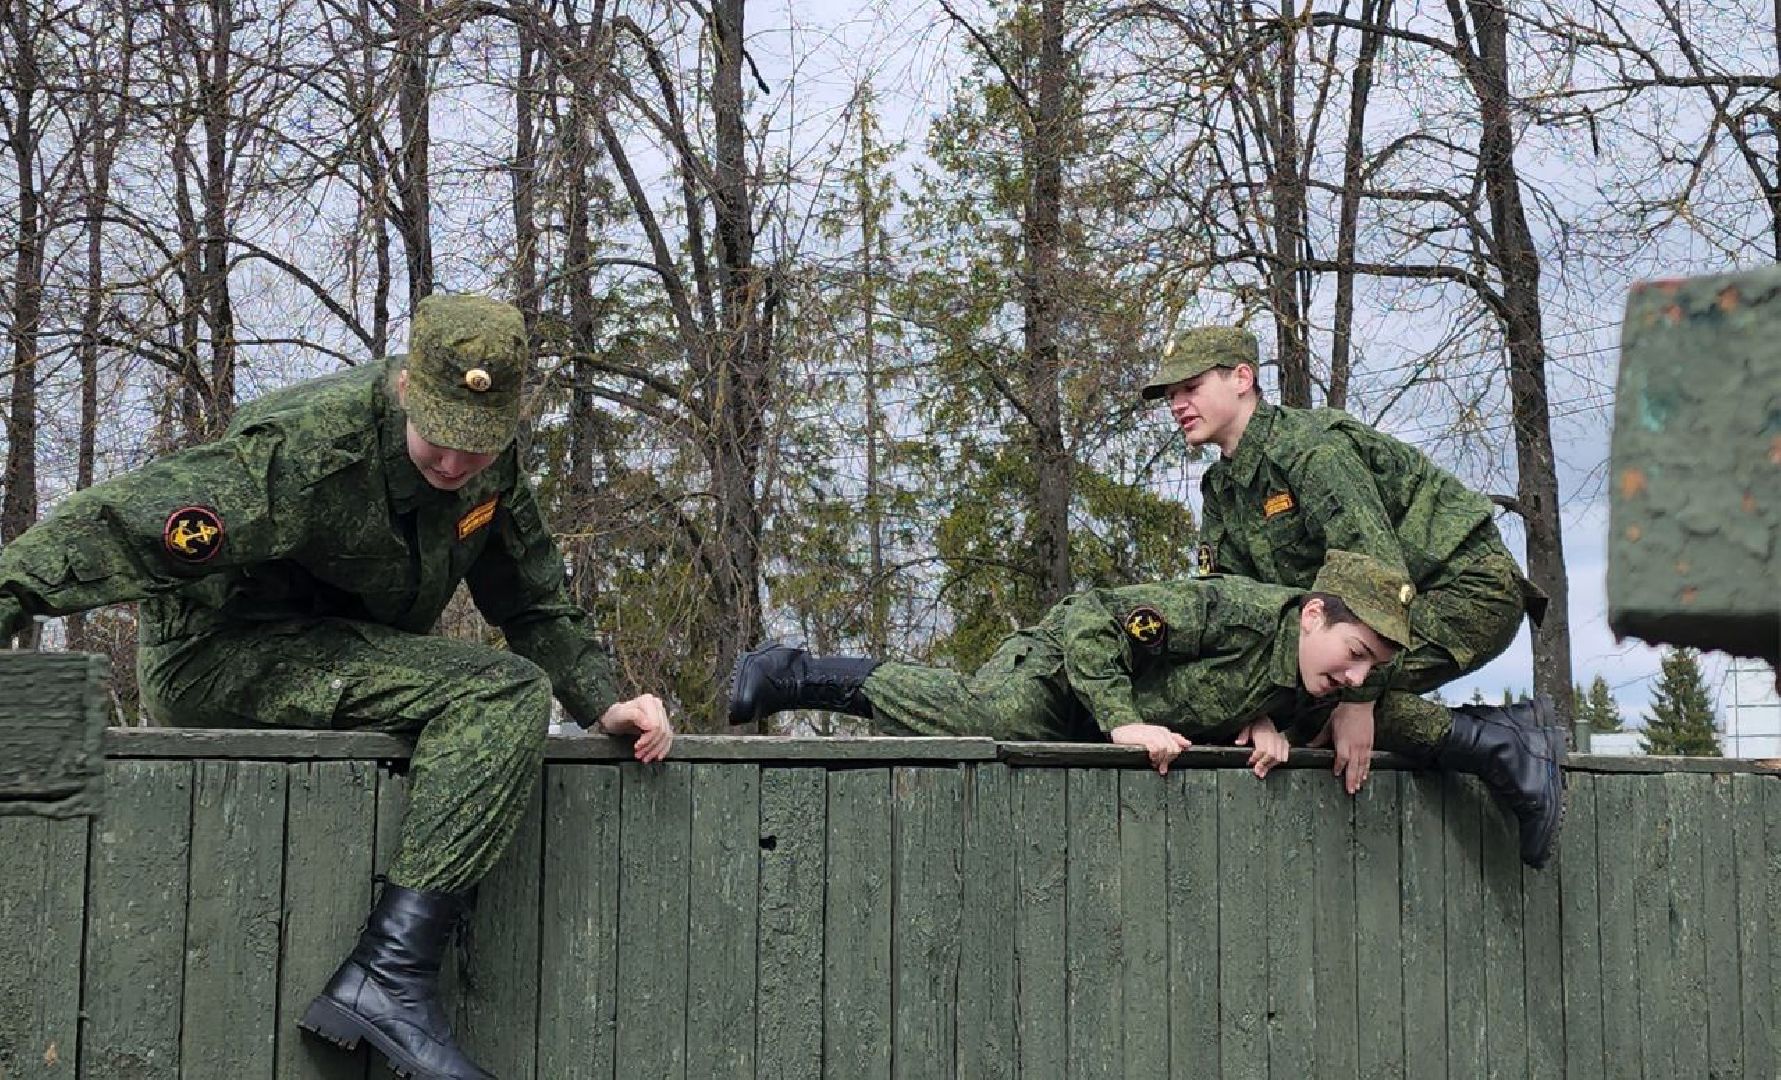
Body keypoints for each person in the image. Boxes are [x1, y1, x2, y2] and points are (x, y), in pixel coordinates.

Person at [0, 294, 673, 1079]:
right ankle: (387, 981)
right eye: (441, 441)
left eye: (479, 447)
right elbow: (114, 526)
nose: (457, 465)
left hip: (347, 658)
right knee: (500, 692)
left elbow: (531, 598)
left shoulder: (492, 468)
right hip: (222, 655)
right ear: (406, 392)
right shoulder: (308, 449)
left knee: (504, 687)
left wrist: (602, 699)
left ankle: (384, 979)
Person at [1140, 324, 1562, 866]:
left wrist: (1360, 702)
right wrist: (1257, 712)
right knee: (1296, 714)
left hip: (1464, 591)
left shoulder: (1312, 453)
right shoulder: (1223, 492)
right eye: (1171, 394)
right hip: (1369, 619)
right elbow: (1233, 613)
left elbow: (1381, 578)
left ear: (1242, 378)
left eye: (1190, 387)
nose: (1177, 404)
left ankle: (1509, 749)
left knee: (1325, 703)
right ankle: (1505, 737)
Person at [733, 553, 1550, 799]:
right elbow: (1093, 616)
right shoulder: (1231, 611)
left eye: (1372, 664)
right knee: (1001, 719)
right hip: (1060, 674)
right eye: (1354, 652)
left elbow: (1249, 705)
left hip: (1114, 721)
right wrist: (1121, 720)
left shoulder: (1308, 681)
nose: (1356, 674)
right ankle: (795, 672)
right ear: (1312, 615)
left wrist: (1261, 728)